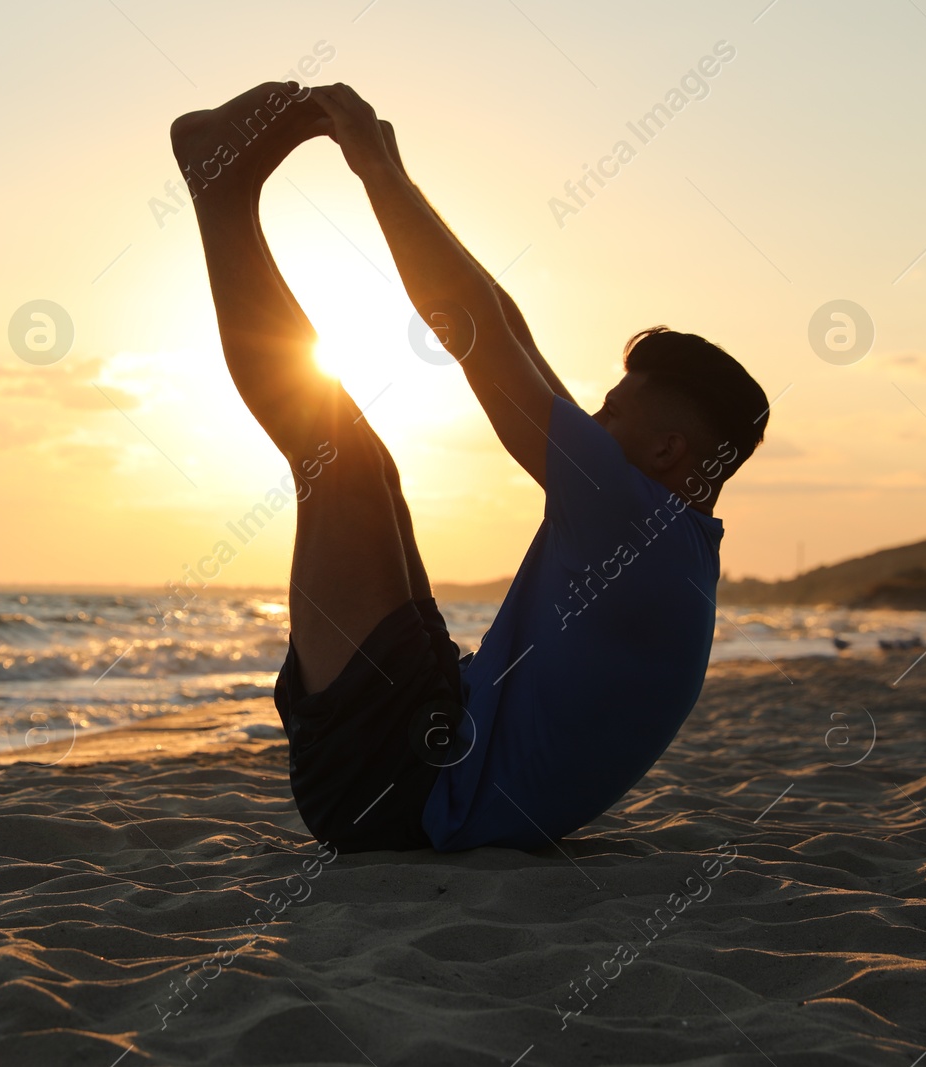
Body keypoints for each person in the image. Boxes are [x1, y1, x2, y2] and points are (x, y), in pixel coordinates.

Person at [171, 82, 769, 852]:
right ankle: (228, 186)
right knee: (370, 468)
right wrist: (393, 169)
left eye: (613, 410)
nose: (591, 418)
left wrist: (376, 173)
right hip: (435, 722)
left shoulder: (634, 521)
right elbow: (507, 325)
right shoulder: (668, 536)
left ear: (668, 450)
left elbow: (473, 331)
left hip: (392, 788)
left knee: (334, 453)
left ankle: (220, 194)